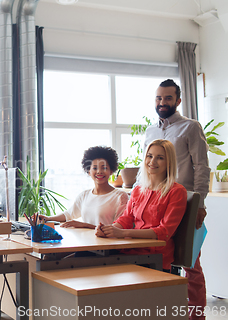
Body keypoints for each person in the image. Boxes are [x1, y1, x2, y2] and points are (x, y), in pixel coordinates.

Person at [144, 79, 209, 320]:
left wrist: (200, 205)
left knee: (191, 264)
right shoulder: (151, 131)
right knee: (162, 261)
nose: (162, 103)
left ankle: (196, 316)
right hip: (158, 203)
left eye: (168, 98)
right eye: (159, 98)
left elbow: (202, 167)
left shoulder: (191, 127)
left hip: (186, 204)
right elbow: (148, 167)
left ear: (178, 101)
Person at [96, 139, 187, 272]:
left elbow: (164, 232)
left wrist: (122, 233)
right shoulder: (138, 190)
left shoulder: (176, 191)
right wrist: (109, 230)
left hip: (154, 257)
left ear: (169, 162)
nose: (152, 162)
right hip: (131, 250)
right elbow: (126, 218)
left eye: (160, 158)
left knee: (91, 262)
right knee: (83, 256)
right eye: (149, 156)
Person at [39, 146, 128, 229]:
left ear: (111, 171)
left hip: (108, 244)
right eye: (95, 168)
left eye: (104, 168)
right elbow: (68, 215)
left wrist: (85, 225)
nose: (99, 172)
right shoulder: (84, 195)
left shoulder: (120, 196)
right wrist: (47, 218)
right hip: (86, 243)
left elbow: (118, 228)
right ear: (88, 171)